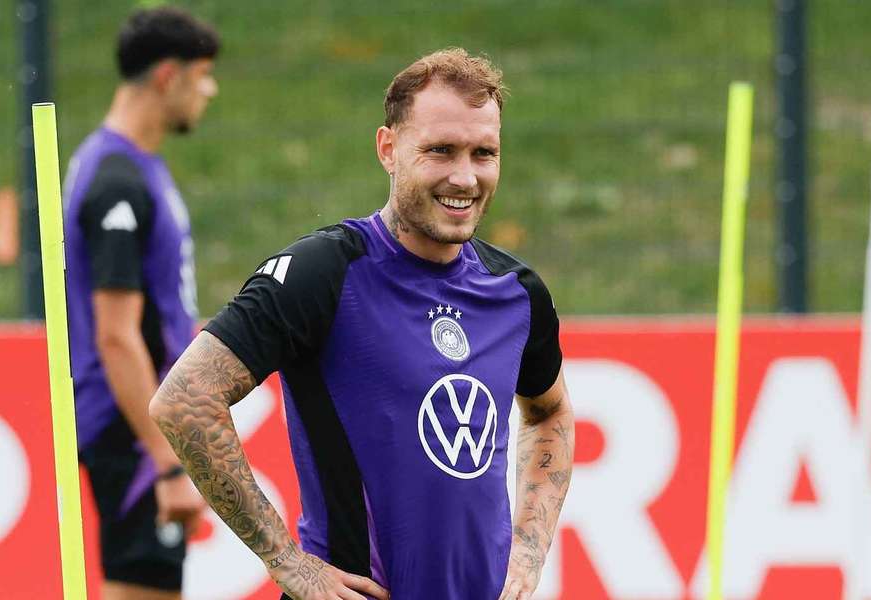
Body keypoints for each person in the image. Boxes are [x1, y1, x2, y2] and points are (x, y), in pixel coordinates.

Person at [149, 48, 574, 600]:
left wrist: (530, 551)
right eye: (440, 150)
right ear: (388, 148)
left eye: (484, 153)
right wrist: (287, 562)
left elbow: (550, 412)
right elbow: (184, 399)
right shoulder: (322, 271)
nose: (465, 177)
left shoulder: (516, 292)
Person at [63, 7, 219, 599]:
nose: (210, 89)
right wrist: (166, 461)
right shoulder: (116, 182)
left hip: (145, 428)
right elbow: (114, 334)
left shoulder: (126, 167)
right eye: (202, 73)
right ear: (167, 76)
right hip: (133, 431)